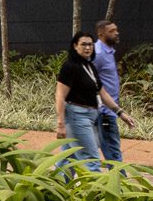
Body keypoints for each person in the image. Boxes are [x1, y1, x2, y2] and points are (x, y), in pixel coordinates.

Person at [54, 33, 109, 170]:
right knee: (91, 160)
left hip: (90, 116)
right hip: (77, 116)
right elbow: (60, 95)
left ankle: (57, 187)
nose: (87, 47)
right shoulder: (70, 67)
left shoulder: (90, 66)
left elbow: (102, 92)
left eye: (90, 44)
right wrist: (60, 124)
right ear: (75, 46)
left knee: (68, 158)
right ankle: (96, 191)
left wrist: (120, 113)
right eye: (83, 44)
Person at [92, 19, 132, 162]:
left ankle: (63, 176)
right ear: (101, 34)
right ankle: (118, 183)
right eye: (112, 31)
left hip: (107, 111)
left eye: (116, 30)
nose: (116, 33)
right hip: (104, 112)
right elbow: (90, 81)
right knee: (114, 153)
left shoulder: (107, 51)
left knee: (83, 150)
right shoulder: (98, 54)